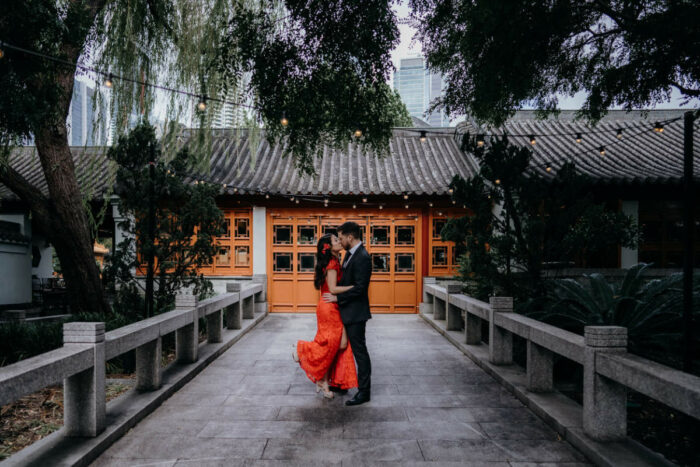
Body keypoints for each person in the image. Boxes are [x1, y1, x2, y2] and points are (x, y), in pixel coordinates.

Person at [293, 234, 358, 398]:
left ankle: (323, 380)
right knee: (331, 343)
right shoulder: (331, 263)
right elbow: (333, 289)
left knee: (339, 344)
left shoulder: (336, 260)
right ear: (328, 247)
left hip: (333, 306)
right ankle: (302, 350)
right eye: (336, 240)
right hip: (329, 307)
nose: (339, 241)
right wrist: (354, 287)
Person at [323, 221, 372, 406]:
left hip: (356, 313)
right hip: (348, 311)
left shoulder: (363, 257)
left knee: (360, 352)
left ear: (350, 237)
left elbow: (360, 289)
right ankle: (341, 383)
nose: (340, 241)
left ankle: (364, 392)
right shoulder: (350, 255)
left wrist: (338, 299)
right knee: (345, 349)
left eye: (341, 237)